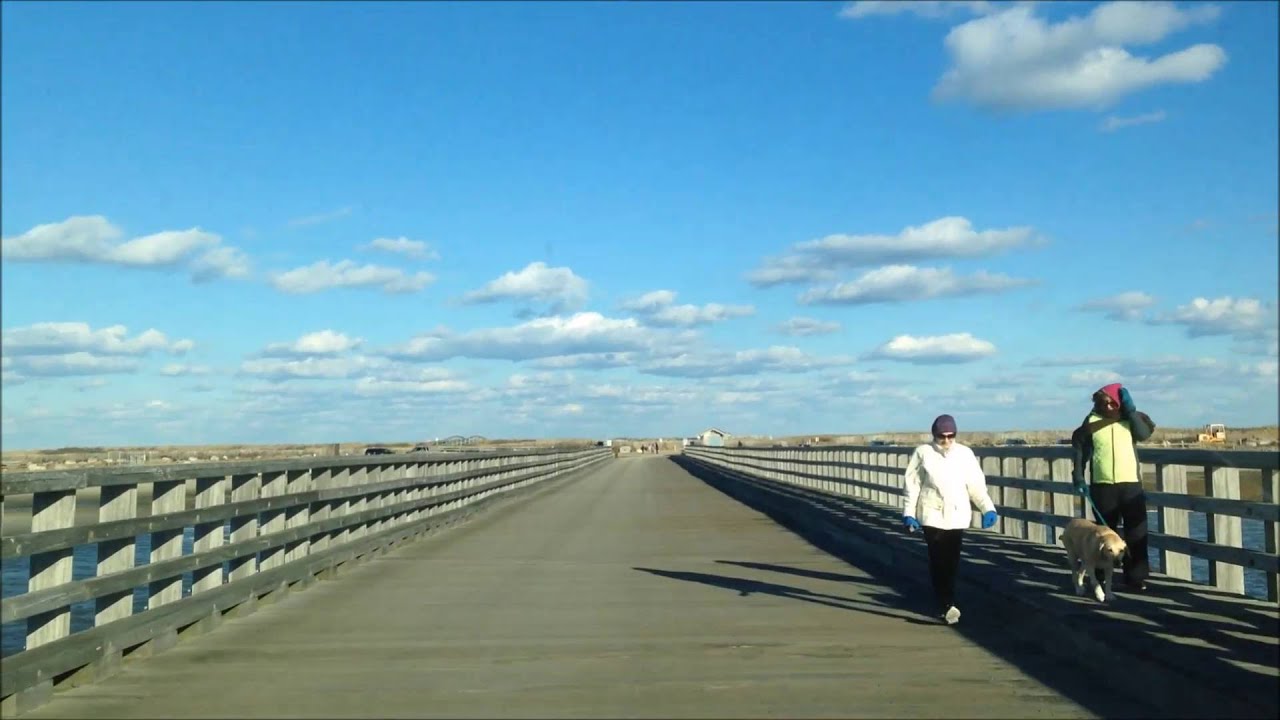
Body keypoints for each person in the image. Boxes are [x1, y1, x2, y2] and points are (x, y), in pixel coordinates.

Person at [901, 414, 999, 625]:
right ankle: (946, 604)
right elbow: (913, 485)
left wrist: (987, 508)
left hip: (957, 515)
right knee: (938, 558)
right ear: (934, 435)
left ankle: (947, 601)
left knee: (951, 560)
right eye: (941, 437)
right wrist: (909, 513)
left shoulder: (965, 454)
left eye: (950, 436)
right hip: (931, 513)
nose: (946, 441)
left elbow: (976, 486)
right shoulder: (922, 453)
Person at [1070, 383, 1156, 592]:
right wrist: (1079, 476)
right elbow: (1081, 450)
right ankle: (1098, 574)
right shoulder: (1091, 421)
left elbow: (1144, 434)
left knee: (1136, 531)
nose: (1108, 406)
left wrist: (1130, 409)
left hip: (1130, 484)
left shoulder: (1130, 419)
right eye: (1103, 402)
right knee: (1103, 533)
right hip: (1103, 485)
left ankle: (1136, 577)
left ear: (1120, 402)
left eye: (1112, 402)